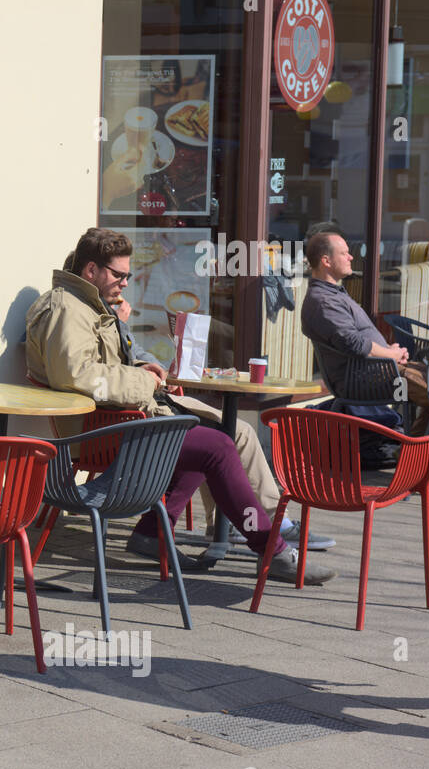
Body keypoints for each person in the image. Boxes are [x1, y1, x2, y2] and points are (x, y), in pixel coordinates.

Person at [26, 227, 334, 584]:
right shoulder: (68, 308)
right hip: (107, 433)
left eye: (128, 275)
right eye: (119, 275)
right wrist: (148, 381)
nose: (126, 283)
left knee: (210, 435)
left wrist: (142, 367)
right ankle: (274, 551)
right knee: (217, 445)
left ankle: (153, 532)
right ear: (91, 271)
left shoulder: (85, 305)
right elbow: (78, 375)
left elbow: (101, 364)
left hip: (123, 423)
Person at [301, 230, 429, 444]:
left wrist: (391, 352)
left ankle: (413, 454)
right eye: (345, 253)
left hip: (379, 372)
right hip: (363, 381)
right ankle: (414, 454)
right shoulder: (323, 301)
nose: (351, 257)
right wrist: (390, 354)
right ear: (326, 261)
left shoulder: (333, 294)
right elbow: (354, 344)